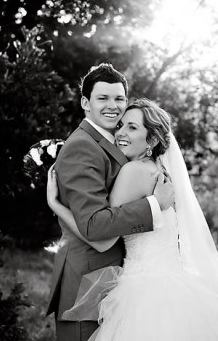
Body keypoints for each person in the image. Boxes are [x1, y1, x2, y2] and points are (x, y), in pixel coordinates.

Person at [47, 98, 218, 341]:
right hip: (175, 285)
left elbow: (102, 240)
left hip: (143, 294)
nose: (120, 133)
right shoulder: (159, 172)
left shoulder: (133, 171)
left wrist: (56, 205)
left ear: (151, 141)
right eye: (120, 125)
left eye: (132, 127)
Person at [44, 64, 175, 341]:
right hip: (86, 283)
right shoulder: (83, 146)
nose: (113, 106)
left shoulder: (117, 146)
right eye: (102, 98)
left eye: (119, 98)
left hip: (119, 282)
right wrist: (154, 205)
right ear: (85, 103)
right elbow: (96, 229)